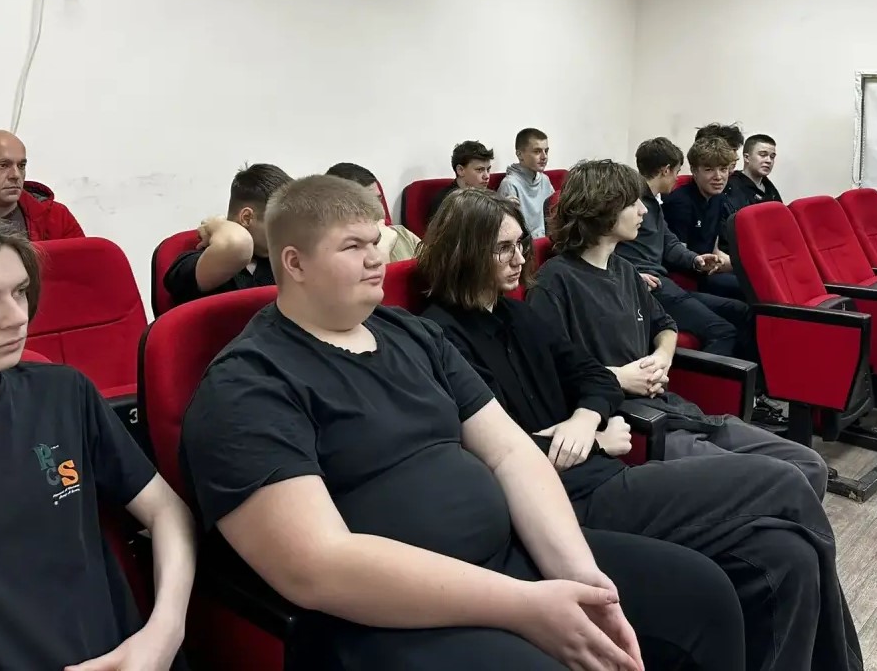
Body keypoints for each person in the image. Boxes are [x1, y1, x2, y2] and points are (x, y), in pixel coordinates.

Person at [181, 174, 747, 671]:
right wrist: (524, 606)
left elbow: (510, 452)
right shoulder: (248, 384)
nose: (377, 259)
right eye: (353, 246)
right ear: (295, 263)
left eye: (376, 241)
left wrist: (578, 577)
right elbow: (318, 565)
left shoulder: (413, 334)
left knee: (701, 596)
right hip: (388, 615)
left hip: (509, 561)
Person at [419, 188, 863, 671]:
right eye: (503, 248)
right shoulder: (439, 337)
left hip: (602, 474)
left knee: (788, 554)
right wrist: (594, 438)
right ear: (465, 251)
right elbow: (490, 450)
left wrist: (584, 419)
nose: (520, 258)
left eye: (520, 244)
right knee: (787, 480)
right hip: (562, 503)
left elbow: (593, 376)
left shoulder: (514, 313)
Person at [0, 203, 196, 671]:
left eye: (19, 292)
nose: (16, 317)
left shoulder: (63, 394)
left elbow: (167, 512)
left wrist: (163, 633)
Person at [531, 159, 825, 494]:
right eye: (632, 203)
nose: (643, 210)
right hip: (629, 420)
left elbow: (666, 326)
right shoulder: (555, 280)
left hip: (674, 409)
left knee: (809, 464)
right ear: (603, 209)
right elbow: (546, 373)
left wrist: (662, 357)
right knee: (782, 480)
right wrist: (618, 377)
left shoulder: (624, 270)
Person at [615, 138, 749, 360]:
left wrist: (695, 260)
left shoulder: (653, 204)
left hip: (662, 283)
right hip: (650, 286)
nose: (678, 178)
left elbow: (670, 243)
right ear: (666, 170)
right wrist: (632, 276)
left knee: (741, 311)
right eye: (677, 171)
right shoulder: (632, 204)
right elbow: (609, 250)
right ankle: (707, 383)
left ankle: (750, 380)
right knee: (723, 331)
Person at [163, 163, 292, 306]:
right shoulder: (189, 265)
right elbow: (237, 244)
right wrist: (216, 224)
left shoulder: (281, 265)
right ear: (247, 218)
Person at [662, 136, 742, 300]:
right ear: (694, 171)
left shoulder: (719, 198)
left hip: (708, 269)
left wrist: (742, 265)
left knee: (755, 282)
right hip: (688, 274)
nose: (718, 176)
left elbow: (715, 249)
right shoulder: (680, 202)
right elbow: (678, 256)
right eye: (709, 169)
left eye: (723, 169)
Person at [325, 162, 421, 262]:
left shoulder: (402, 234)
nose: (380, 210)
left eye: (379, 199)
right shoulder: (333, 256)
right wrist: (382, 248)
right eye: (366, 204)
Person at [497, 128, 554, 238]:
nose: (544, 157)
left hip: (549, 240)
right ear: (519, 155)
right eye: (537, 151)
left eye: (546, 151)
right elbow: (508, 230)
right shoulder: (510, 184)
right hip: (527, 243)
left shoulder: (545, 180)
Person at [426, 140, 494, 222]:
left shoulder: (489, 195)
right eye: (479, 170)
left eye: (488, 170)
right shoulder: (445, 202)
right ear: (460, 170)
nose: (487, 176)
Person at [725, 133, 782, 210]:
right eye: (763, 155)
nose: (769, 161)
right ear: (746, 157)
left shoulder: (769, 188)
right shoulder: (731, 185)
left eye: (772, 157)